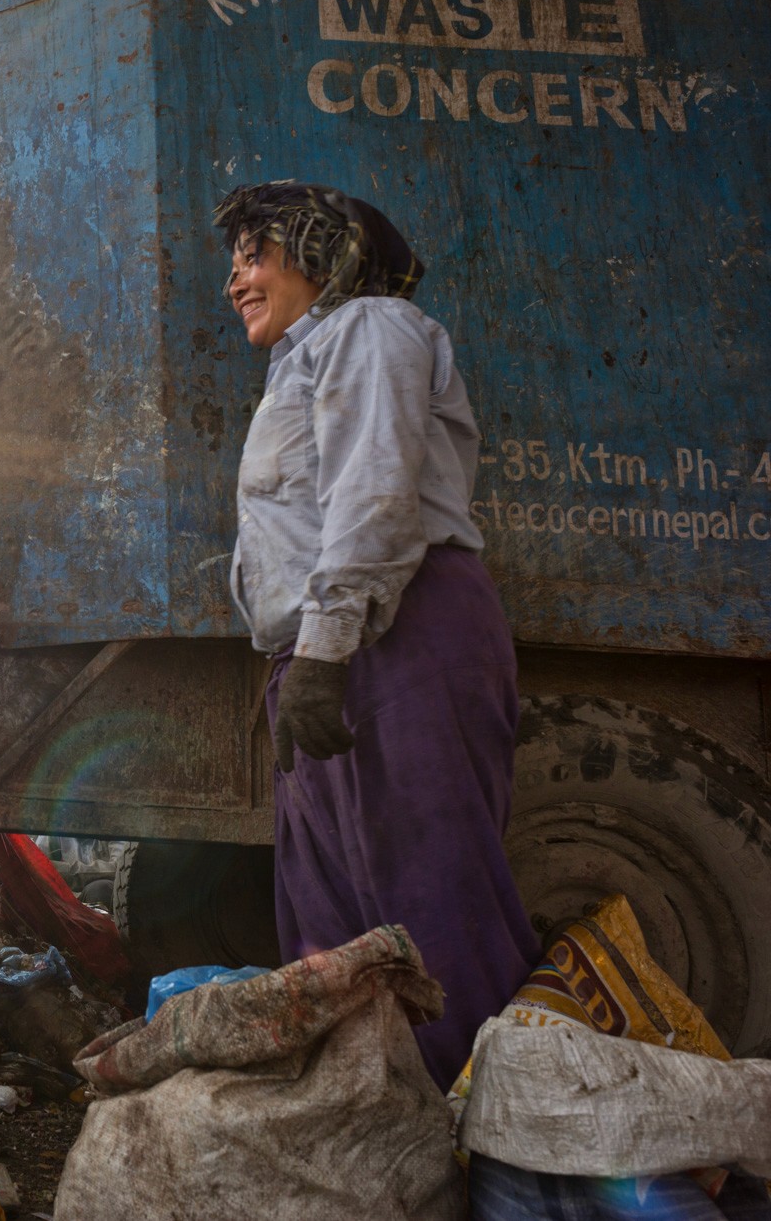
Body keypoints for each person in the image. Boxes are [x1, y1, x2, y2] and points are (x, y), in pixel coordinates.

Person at [215, 180, 541, 1087]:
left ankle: (483, 1131)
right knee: (334, 922)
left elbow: (375, 498)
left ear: (323, 256)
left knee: (426, 904)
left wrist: (324, 654)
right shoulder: (299, 363)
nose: (235, 282)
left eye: (254, 255)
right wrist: (307, 658)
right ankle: (377, 1124)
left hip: (397, 634)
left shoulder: (370, 329)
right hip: (332, 645)